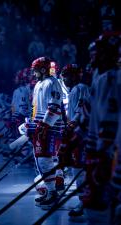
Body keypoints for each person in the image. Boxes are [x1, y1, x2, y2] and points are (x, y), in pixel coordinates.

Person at [82, 32, 121, 225]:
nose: (93, 56)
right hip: (104, 152)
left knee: (103, 209)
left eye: (97, 52)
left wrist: (103, 156)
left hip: (109, 154)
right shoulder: (102, 77)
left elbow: (109, 121)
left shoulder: (111, 79)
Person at [29, 56, 64, 209]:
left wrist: (45, 125)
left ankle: (52, 193)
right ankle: (50, 192)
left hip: (50, 129)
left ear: (43, 69)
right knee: (40, 161)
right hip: (40, 128)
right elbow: (35, 108)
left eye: (36, 70)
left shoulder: (52, 83)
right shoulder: (38, 84)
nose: (34, 73)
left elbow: (55, 107)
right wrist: (30, 123)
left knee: (45, 160)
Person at [58, 64, 90, 218]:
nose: (64, 79)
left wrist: (72, 126)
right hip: (76, 133)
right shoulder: (72, 91)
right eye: (63, 75)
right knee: (76, 168)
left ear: (75, 76)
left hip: (82, 135)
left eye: (67, 75)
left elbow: (81, 111)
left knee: (81, 168)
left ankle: (84, 201)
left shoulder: (81, 88)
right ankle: (83, 199)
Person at [11, 69, 31, 138]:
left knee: (23, 140)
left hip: (22, 119)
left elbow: (23, 107)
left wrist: (17, 117)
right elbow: (14, 105)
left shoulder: (22, 90)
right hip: (19, 118)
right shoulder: (18, 90)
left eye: (17, 77)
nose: (15, 79)